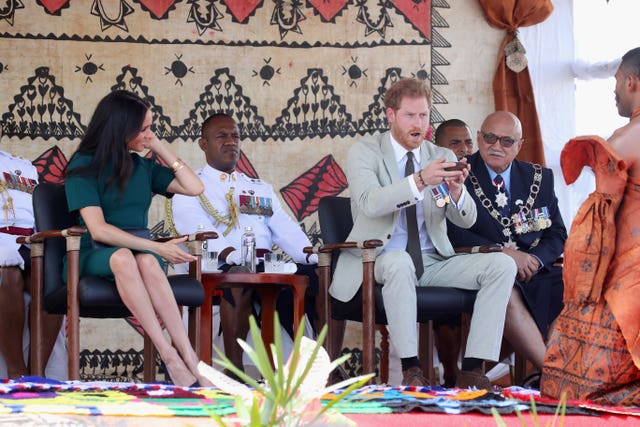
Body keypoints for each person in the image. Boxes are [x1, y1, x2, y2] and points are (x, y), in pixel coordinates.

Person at [331, 77, 546, 388]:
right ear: (391, 115)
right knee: (400, 262)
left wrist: (456, 193)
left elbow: (463, 217)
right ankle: (412, 369)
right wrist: (419, 180)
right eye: (409, 115)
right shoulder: (365, 152)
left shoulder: (439, 154)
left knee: (501, 265)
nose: (418, 124)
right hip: (379, 258)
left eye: (423, 115)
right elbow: (369, 204)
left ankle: (472, 369)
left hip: (433, 261)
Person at [64, 90, 213, 387]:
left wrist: (158, 145)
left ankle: (189, 358)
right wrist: (156, 246)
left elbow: (195, 188)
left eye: (151, 128)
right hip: (96, 253)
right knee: (127, 256)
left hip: (140, 254)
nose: (149, 135)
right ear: (120, 128)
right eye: (143, 129)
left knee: (145, 261)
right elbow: (99, 230)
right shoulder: (83, 164)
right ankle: (167, 355)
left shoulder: (142, 166)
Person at [169, 113, 319, 373]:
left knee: (317, 276)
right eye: (221, 136)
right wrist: (233, 257)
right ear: (203, 144)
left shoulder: (258, 188)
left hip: (262, 267)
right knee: (239, 277)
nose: (231, 142)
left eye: (235, 136)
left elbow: (286, 229)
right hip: (213, 267)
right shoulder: (189, 186)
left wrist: (314, 257)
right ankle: (234, 370)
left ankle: (316, 365)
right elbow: (194, 227)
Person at [541, 47, 640, 405]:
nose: (614, 90)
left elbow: (595, 226)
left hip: (629, 272)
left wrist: (582, 285)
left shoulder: (626, 139)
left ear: (631, 81)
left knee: (571, 389)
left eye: (615, 81)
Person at [445, 111, 566, 386]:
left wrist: (534, 258)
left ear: (519, 145)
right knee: (507, 293)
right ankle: (555, 375)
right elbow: (451, 232)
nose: (496, 146)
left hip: (535, 270)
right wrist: (502, 252)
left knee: (574, 287)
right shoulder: (459, 174)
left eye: (506, 141)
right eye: (489, 138)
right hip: (483, 267)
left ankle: (548, 372)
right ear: (478, 138)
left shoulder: (540, 178)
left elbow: (557, 232)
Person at [0, 148, 65, 379]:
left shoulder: (23, 166)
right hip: (2, 242)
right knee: (8, 273)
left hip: (29, 241)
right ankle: (16, 370)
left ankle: (37, 370)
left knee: (51, 279)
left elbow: (34, 212)